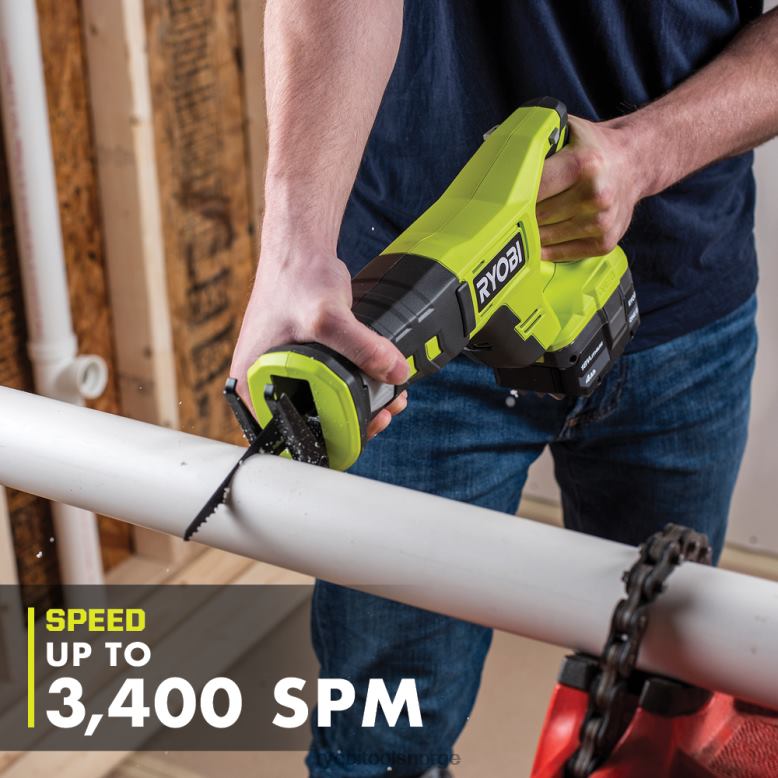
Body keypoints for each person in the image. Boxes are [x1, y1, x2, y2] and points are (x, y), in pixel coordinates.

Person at [231, 2, 777, 775]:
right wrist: (295, 248)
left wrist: (642, 154)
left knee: (654, 709)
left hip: (681, 299)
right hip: (394, 326)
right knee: (381, 747)